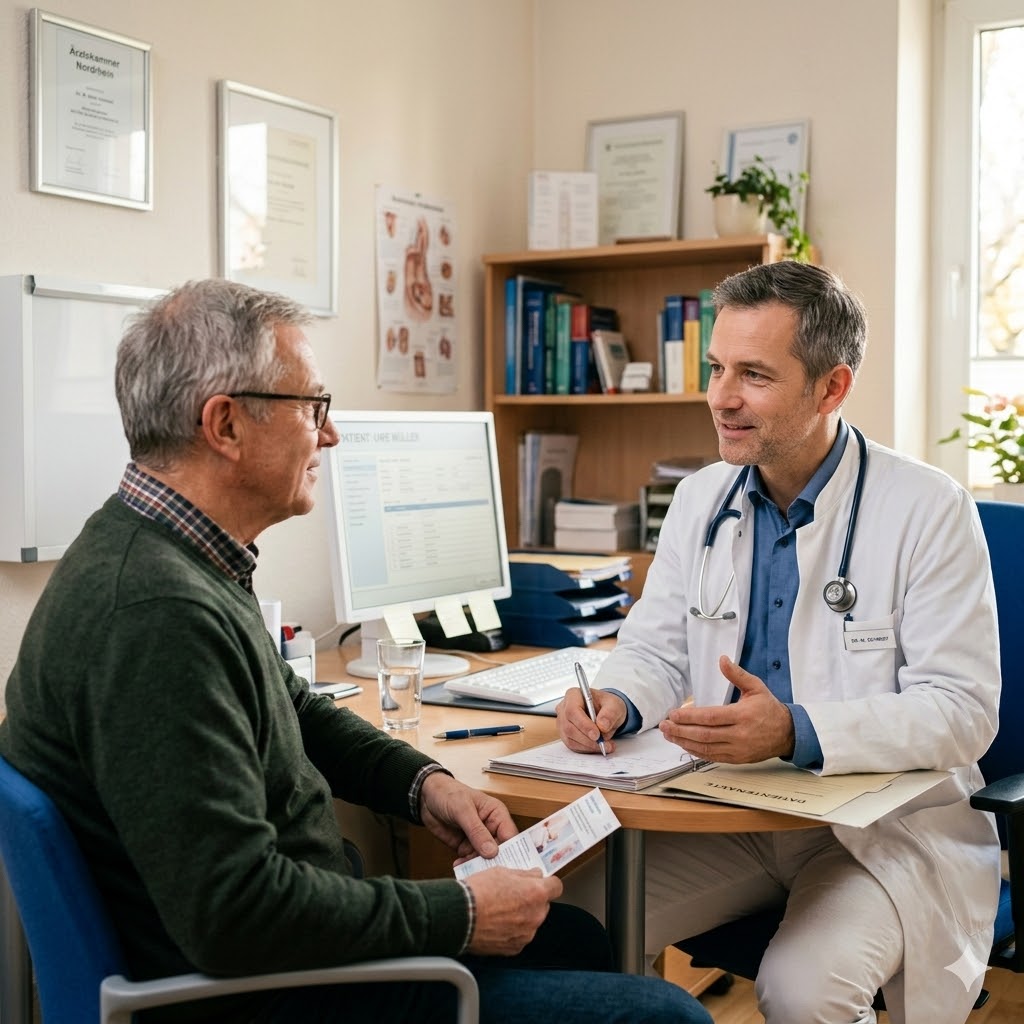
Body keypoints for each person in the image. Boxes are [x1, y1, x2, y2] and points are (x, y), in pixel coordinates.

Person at [0, 279, 710, 1024]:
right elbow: (234, 916)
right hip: (266, 992)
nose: (330, 435)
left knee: (573, 938)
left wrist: (425, 786)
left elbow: (294, 710)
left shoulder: (167, 553)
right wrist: (459, 910)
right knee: (671, 1017)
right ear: (226, 425)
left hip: (282, 956)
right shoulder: (156, 616)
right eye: (312, 408)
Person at [557, 261, 1002, 1024]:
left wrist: (797, 730)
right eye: (718, 368)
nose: (722, 397)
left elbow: (962, 711)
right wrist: (618, 699)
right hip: (727, 812)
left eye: (754, 375)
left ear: (831, 388)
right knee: (566, 927)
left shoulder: (928, 507)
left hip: (875, 831)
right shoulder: (701, 499)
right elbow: (657, 647)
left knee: (803, 992)